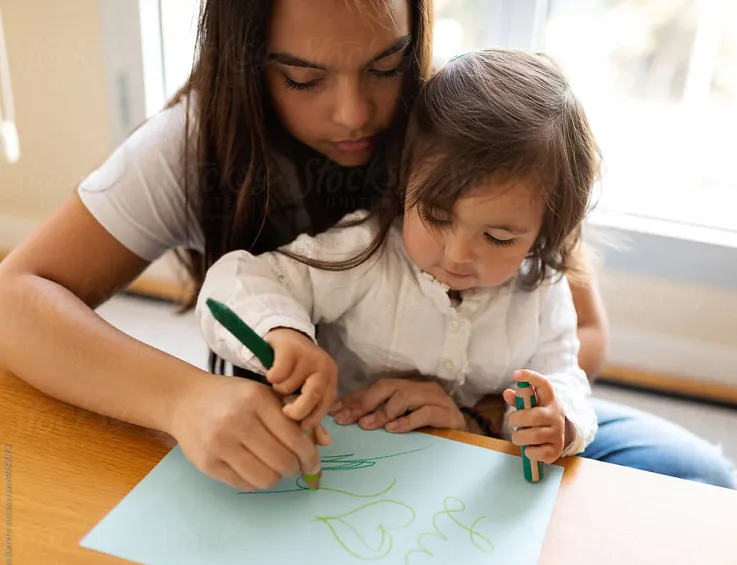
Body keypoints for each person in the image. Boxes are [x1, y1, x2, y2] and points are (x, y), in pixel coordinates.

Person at [0, 0, 737, 492]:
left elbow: (581, 334)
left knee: (694, 477)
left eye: (386, 66)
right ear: (243, 59)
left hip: (474, 418)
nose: (354, 113)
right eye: (302, 77)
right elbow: (14, 299)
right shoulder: (194, 146)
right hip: (319, 438)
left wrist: (471, 411)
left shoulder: (469, 119)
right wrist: (184, 397)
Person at [197, 49, 601, 481]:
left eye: (498, 237)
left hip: (463, 469)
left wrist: (556, 420)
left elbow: (564, 374)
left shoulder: (541, 288)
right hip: (349, 461)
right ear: (406, 178)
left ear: (544, 232)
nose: (459, 254)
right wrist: (282, 333)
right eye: (438, 217)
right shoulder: (365, 251)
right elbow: (233, 281)